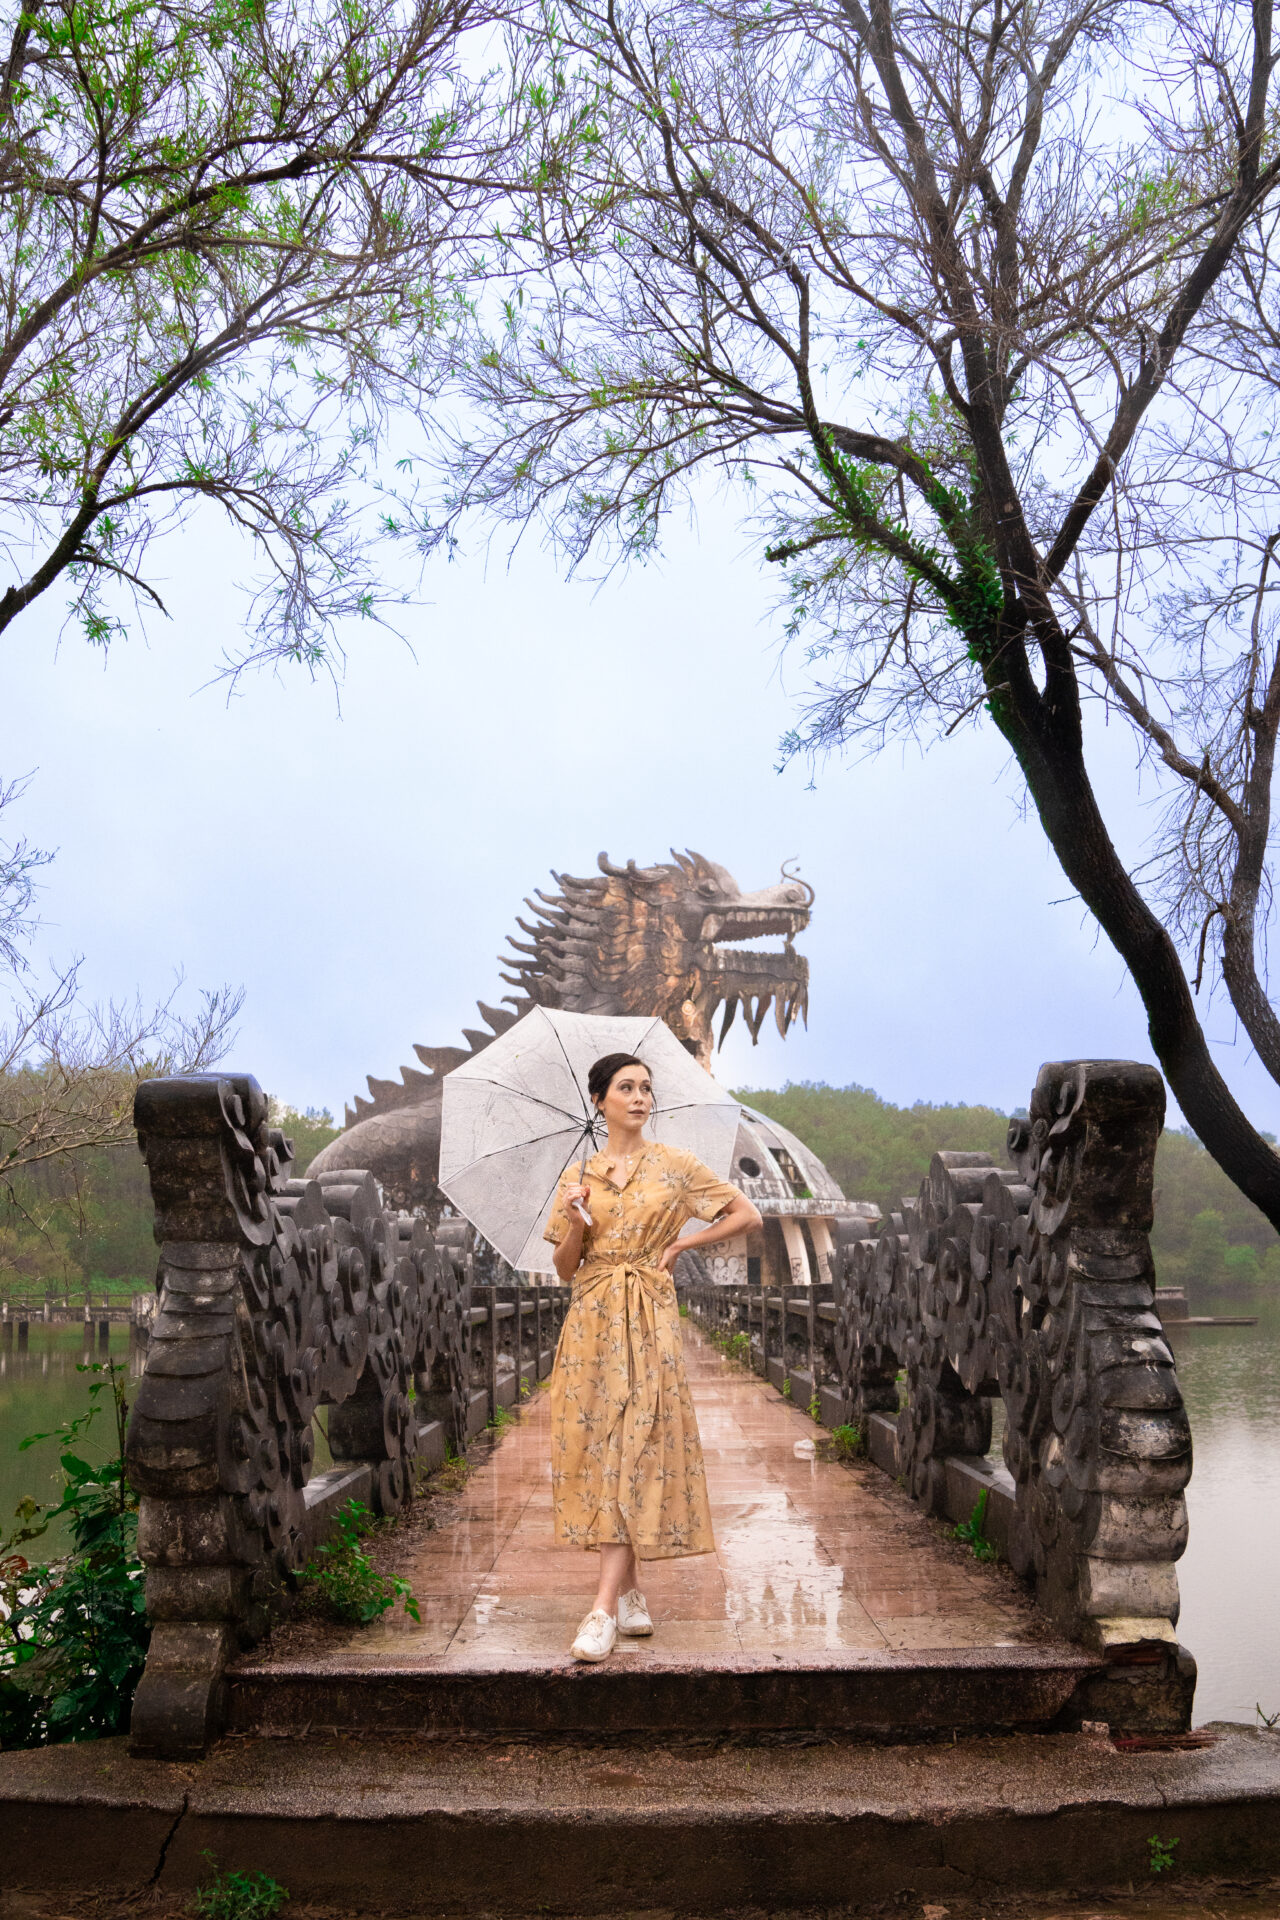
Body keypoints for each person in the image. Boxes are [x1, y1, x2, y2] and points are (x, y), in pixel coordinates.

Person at [543, 1052, 762, 1662]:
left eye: (646, 1087)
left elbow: (747, 1213)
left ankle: (603, 1608)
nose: (639, 1097)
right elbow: (564, 1269)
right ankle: (632, 1589)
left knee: (638, 1442)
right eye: (625, 1087)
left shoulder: (676, 1166)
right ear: (599, 1100)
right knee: (601, 1449)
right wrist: (577, 1223)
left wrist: (681, 1241)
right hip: (589, 1321)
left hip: (648, 1318)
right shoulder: (578, 1176)